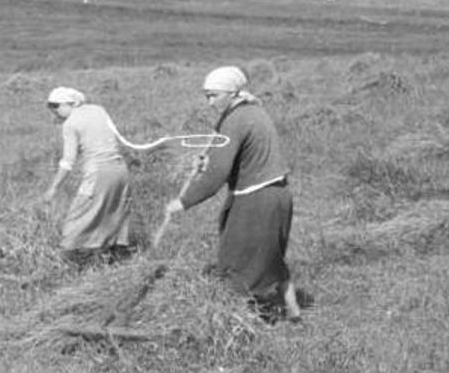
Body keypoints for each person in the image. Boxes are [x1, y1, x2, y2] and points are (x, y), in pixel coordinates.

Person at [164, 66, 301, 322]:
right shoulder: (251, 111)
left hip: (258, 200)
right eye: (206, 95)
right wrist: (206, 158)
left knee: (235, 261)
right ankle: (293, 311)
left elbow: (216, 175)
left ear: (232, 92)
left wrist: (183, 202)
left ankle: (237, 322)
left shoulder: (237, 120)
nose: (209, 102)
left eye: (214, 96)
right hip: (278, 195)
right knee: (269, 255)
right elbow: (225, 154)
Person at [43, 87, 133, 268]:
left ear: (71, 103)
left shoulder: (70, 124)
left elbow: (68, 162)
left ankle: (71, 263)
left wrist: (53, 188)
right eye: (50, 107)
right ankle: (116, 259)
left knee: (76, 220)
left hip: (98, 174)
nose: (54, 111)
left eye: (56, 106)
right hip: (121, 172)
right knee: (113, 213)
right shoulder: (98, 110)